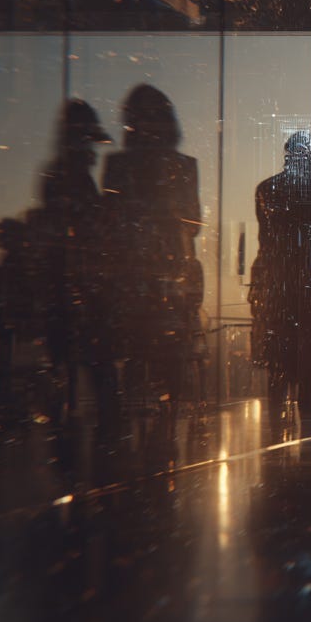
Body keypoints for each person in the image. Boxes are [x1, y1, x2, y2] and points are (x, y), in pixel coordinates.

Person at [100, 84, 202, 407]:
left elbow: (110, 219)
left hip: (156, 271)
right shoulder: (182, 165)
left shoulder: (119, 165)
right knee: (156, 348)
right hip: (155, 270)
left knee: (148, 348)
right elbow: (194, 222)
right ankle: (160, 423)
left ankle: (149, 421)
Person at [248, 130, 311, 414]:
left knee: (279, 360)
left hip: (280, 285)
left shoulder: (267, 189)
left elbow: (266, 242)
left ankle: (278, 417)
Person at [38, 99, 113, 418]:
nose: (94, 152)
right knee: (99, 373)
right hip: (76, 290)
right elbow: (85, 232)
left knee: (72, 371)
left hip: (65, 290)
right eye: (88, 141)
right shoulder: (70, 178)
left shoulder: (61, 175)